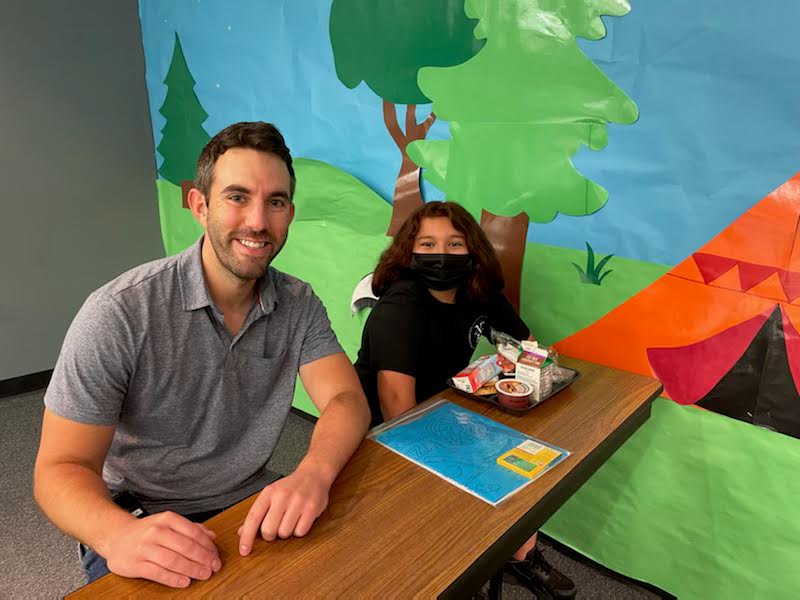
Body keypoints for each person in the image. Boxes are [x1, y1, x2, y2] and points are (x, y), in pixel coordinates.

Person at [33, 121, 371, 589]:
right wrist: (117, 535)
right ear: (199, 205)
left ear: (289, 213)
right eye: (237, 197)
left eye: (275, 201)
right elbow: (59, 468)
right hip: (138, 516)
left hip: (250, 500)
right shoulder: (119, 312)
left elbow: (345, 400)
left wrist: (312, 473)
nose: (257, 221)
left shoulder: (298, 302)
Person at [354, 201, 576, 599]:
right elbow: (398, 416)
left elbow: (524, 347)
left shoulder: (478, 291)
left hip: (443, 408)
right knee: (474, 480)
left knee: (524, 458)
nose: (442, 254)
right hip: (381, 436)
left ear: (472, 250)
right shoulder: (401, 308)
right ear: (409, 252)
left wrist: (528, 372)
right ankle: (458, 567)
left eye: (455, 244)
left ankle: (519, 555)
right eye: (428, 244)